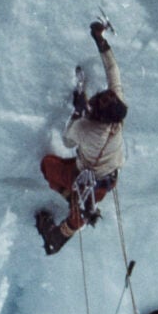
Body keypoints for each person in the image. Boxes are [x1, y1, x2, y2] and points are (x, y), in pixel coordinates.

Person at [35, 20, 127, 255]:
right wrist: (101, 41)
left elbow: (67, 141)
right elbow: (113, 72)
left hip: (86, 179)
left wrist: (77, 113)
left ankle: (65, 224)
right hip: (106, 181)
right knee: (81, 200)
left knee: (48, 166)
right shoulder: (117, 113)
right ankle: (75, 207)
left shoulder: (87, 130)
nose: (103, 95)